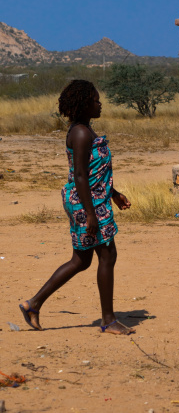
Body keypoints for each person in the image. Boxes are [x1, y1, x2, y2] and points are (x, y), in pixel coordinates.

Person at [19, 80, 134, 335]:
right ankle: (108, 320)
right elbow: (80, 175)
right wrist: (91, 213)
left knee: (81, 260)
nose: (99, 103)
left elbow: (94, 172)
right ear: (84, 104)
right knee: (107, 255)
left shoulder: (86, 130)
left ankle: (33, 305)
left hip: (94, 200)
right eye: (95, 99)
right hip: (88, 203)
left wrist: (113, 193)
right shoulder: (81, 133)